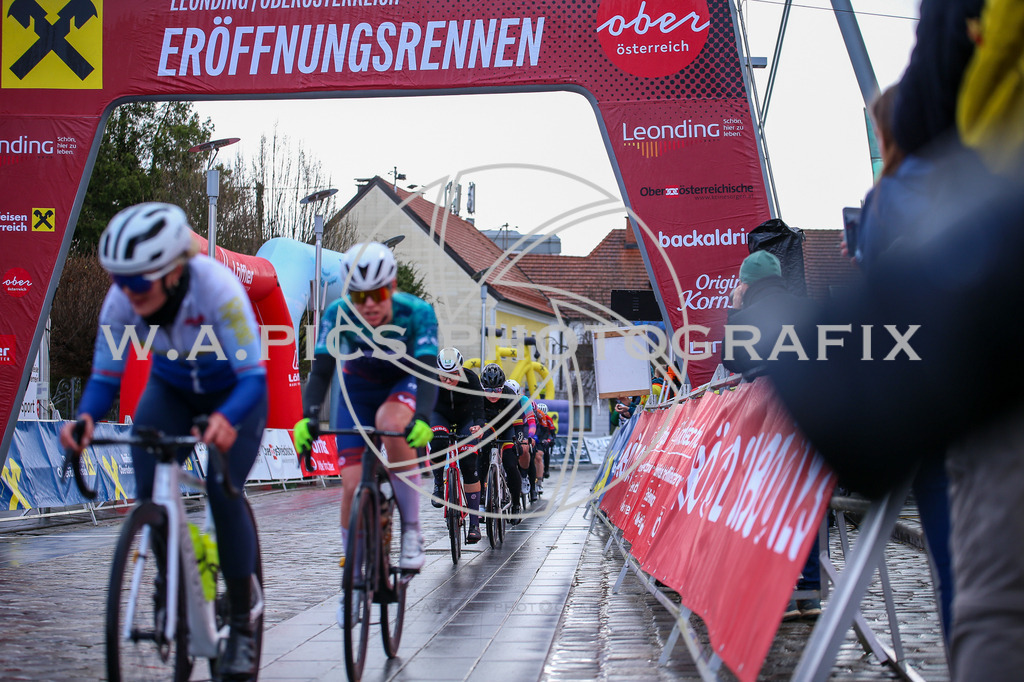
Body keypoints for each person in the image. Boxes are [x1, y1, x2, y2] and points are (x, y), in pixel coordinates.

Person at [59, 202, 268, 680]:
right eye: (119, 280)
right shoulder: (120, 301)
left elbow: (254, 379)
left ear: (174, 271)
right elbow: (105, 377)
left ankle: (240, 624)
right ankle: (170, 579)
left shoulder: (217, 288)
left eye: (137, 282)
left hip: (234, 392)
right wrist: (87, 417)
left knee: (222, 488)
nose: (126, 294)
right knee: (149, 486)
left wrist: (227, 418)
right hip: (171, 389)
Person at [293, 242, 438, 586]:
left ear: (393, 287)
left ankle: (413, 533)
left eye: (377, 293)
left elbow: (429, 371)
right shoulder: (336, 315)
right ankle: (352, 565)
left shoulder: (417, 313)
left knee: (390, 424)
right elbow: (322, 371)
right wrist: (308, 416)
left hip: (402, 384)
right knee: (352, 485)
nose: (369, 304)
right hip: (357, 391)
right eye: (359, 297)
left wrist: (424, 418)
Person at [429, 347, 485, 544]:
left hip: (465, 418)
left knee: (469, 464)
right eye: (444, 374)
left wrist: (479, 423)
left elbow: (479, 403)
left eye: (453, 374)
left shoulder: (471, 378)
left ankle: (474, 523)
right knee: (437, 443)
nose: (448, 379)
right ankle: (438, 484)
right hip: (440, 415)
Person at [479, 364, 525, 521]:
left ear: (503, 387)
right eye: (489, 390)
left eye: (497, 390)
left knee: (511, 464)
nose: (493, 394)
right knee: (482, 454)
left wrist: (518, 441)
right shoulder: (477, 396)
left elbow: (518, 425)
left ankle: (516, 505)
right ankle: (481, 497)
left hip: (507, 428)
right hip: (488, 427)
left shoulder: (510, 395)